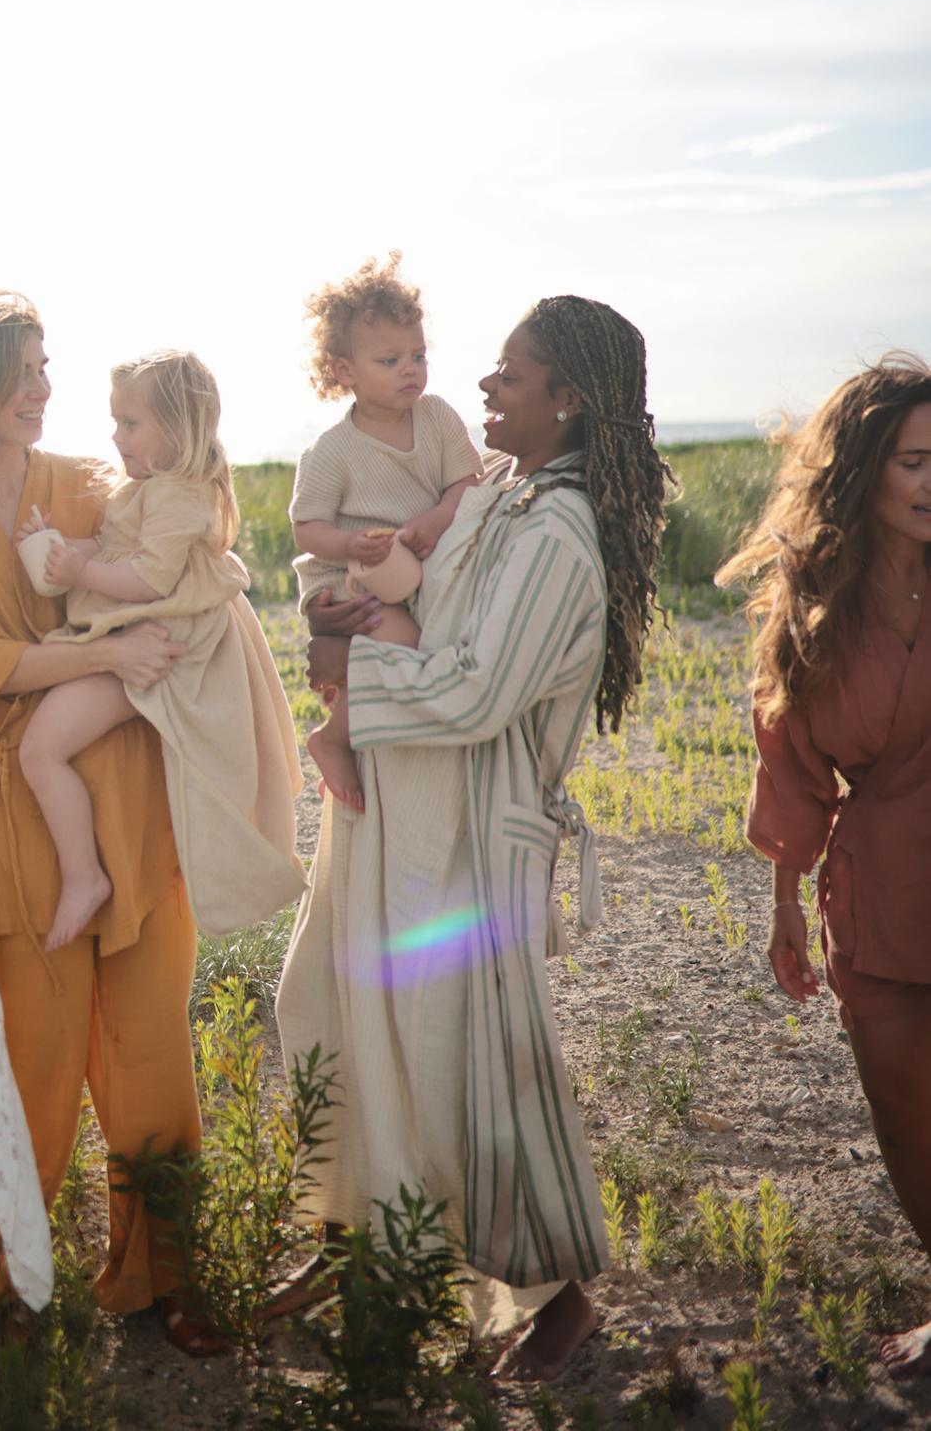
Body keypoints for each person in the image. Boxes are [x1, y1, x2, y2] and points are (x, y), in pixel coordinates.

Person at [275, 294, 673, 1381]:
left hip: (458, 828)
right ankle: (357, 1235)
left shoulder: (555, 533)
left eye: (510, 370)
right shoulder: (502, 493)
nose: (484, 384)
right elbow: (419, 608)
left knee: (462, 1062)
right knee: (340, 1010)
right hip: (397, 804)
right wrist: (337, 627)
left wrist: (356, 666)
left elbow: (476, 689)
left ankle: (558, 1294)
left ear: (567, 398)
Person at [0, 294, 224, 1355]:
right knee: (26, 1056)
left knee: (153, 1044)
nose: (42, 385)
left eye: (44, 363)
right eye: (21, 367)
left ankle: (167, 1272)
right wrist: (108, 653)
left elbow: (175, 556)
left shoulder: (84, 482)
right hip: (3, 808)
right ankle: (3, 1284)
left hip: (128, 789)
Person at [719, 353, 931, 1377]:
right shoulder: (812, 607)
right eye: (914, 461)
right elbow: (791, 766)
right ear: (865, 473)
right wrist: (784, 909)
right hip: (879, 886)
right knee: (903, 1113)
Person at [18, 348, 304, 952]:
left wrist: (79, 569)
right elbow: (118, 547)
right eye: (116, 421)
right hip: (147, 640)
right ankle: (85, 875)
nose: (116, 435)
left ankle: (83, 876)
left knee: (42, 748)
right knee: (43, 746)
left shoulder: (175, 496)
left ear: (179, 428)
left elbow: (149, 579)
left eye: (130, 423)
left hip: (163, 651)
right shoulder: (154, 489)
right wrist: (64, 547)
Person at [289, 254, 483, 808]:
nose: (410, 370)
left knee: (410, 637)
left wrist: (435, 519)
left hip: (408, 566)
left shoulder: (439, 418)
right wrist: (349, 544)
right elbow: (307, 528)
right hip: (347, 574)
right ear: (343, 371)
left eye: (418, 356)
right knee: (402, 641)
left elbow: (467, 483)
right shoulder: (333, 452)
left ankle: (374, 722)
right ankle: (335, 738)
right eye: (390, 358)